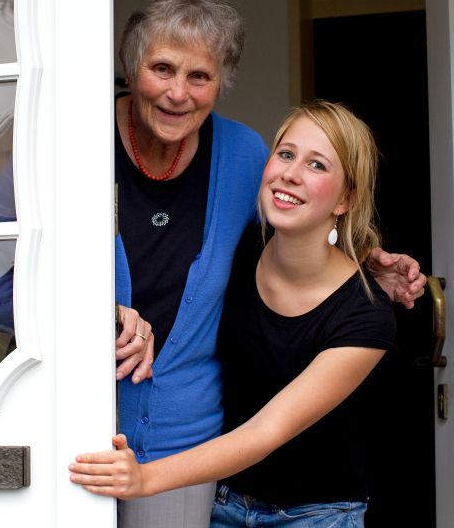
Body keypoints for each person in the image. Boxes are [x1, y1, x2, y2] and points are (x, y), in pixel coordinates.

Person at [109, 0, 425, 528]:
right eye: (162, 68)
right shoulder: (68, 138)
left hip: (194, 453)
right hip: (73, 420)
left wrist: (361, 256)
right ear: (132, 66)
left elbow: (300, 217)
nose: (178, 93)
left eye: (199, 76)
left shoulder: (239, 156)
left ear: (220, 85)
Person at [71, 101, 396, 527]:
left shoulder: (366, 314)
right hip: (227, 502)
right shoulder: (242, 249)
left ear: (345, 198)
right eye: (285, 154)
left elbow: (266, 432)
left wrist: (144, 480)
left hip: (318, 515)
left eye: (317, 165)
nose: (291, 173)